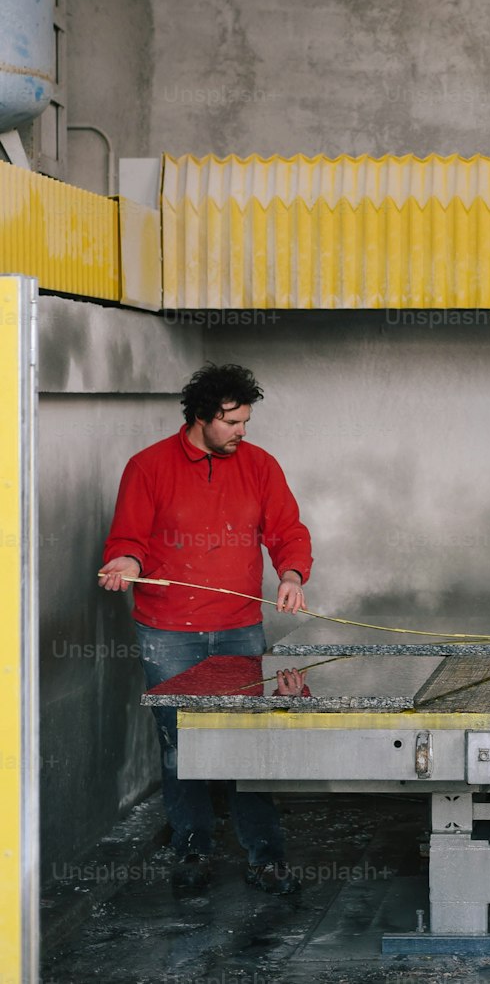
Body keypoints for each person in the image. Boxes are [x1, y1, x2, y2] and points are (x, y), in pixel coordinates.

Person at [99, 362, 313, 895]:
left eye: (245, 420)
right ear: (200, 417)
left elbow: (286, 530)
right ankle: (192, 851)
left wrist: (290, 574)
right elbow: (129, 536)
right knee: (181, 745)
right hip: (168, 633)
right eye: (232, 422)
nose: (243, 431)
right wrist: (126, 563)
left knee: (249, 741)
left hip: (240, 629)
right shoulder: (147, 467)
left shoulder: (260, 466)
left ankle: (266, 857)